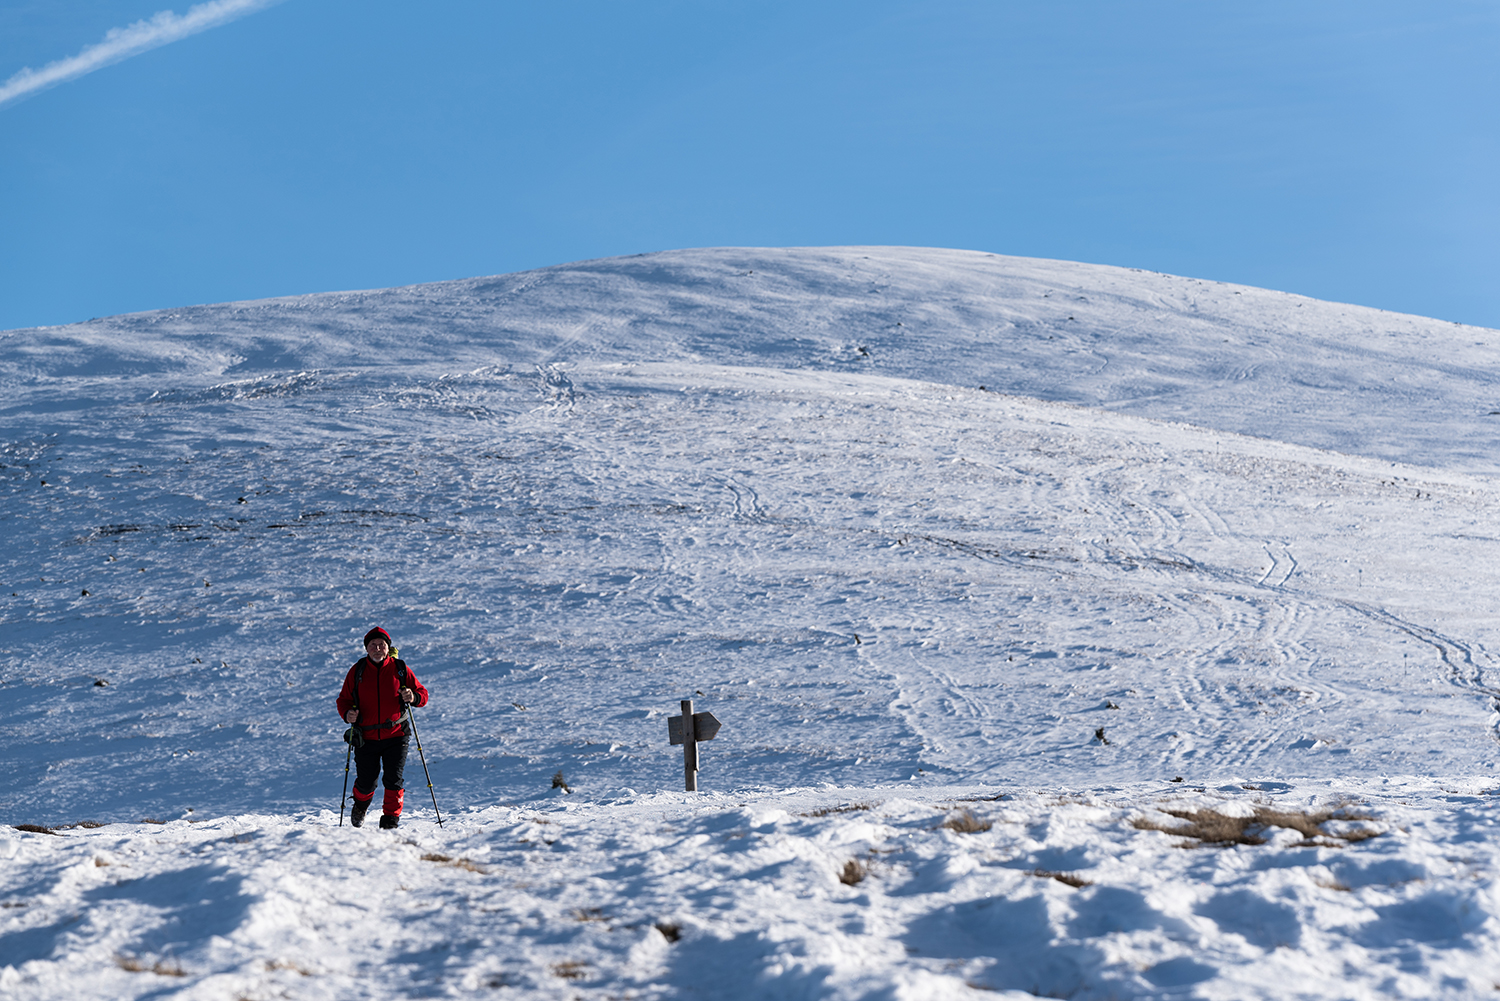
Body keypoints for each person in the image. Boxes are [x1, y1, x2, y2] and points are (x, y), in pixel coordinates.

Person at [336, 627, 429, 829]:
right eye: (373, 645)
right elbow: (343, 700)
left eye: (381, 645)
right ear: (367, 649)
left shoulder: (400, 668)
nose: (377, 648)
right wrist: (347, 714)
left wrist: (413, 697)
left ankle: (390, 820)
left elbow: (423, 694)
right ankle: (360, 805)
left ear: (388, 647)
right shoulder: (357, 670)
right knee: (367, 781)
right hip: (366, 737)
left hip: (396, 734)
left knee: (393, 779)